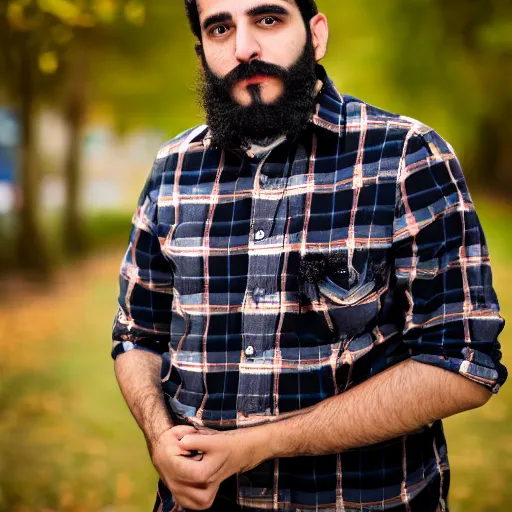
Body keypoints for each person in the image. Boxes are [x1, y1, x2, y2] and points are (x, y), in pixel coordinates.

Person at [112, 1, 508, 511]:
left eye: (268, 19)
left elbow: (462, 364)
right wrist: (158, 435)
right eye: (220, 28)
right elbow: (136, 336)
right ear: (202, 50)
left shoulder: (408, 157)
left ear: (316, 35)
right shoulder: (172, 170)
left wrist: (257, 445)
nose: (244, 47)